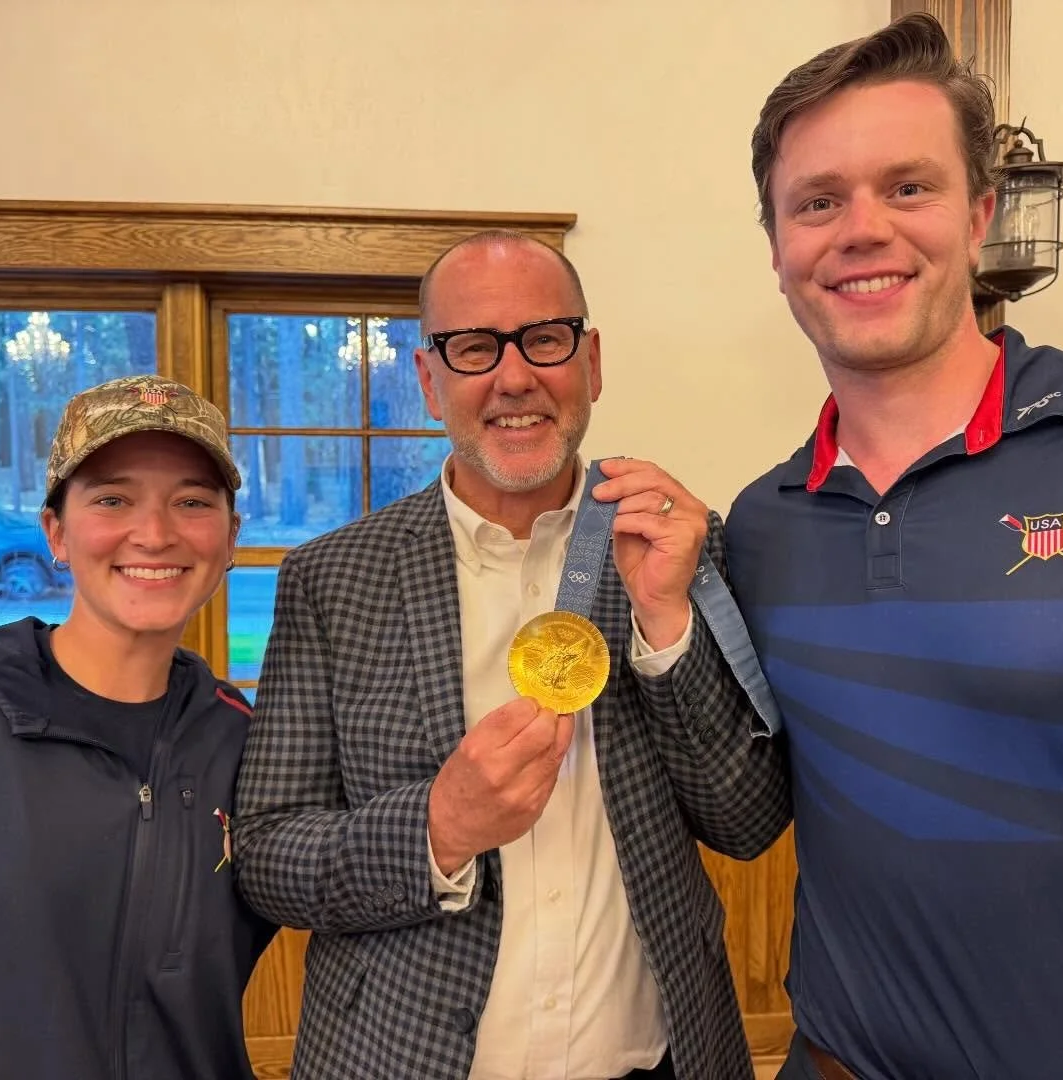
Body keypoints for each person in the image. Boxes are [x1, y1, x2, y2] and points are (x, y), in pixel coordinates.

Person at [728, 13, 1063, 1079]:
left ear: (979, 217)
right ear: (778, 249)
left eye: (907, 187)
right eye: (817, 201)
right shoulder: (761, 525)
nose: (862, 229)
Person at [232, 230, 790, 1080]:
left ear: (591, 363)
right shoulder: (333, 579)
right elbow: (268, 857)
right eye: (473, 347)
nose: (515, 376)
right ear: (429, 380)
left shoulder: (678, 545)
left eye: (545, 338)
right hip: (401, 1064)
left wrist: (665, 624)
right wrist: (438, 827)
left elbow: (746, 825)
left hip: (661, 1061)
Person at [0, 375, 274, 1080]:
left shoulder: (243, 741)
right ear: (56, 532)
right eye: (112, 500)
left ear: (231, 536)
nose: (155, 534)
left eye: (191, 501)